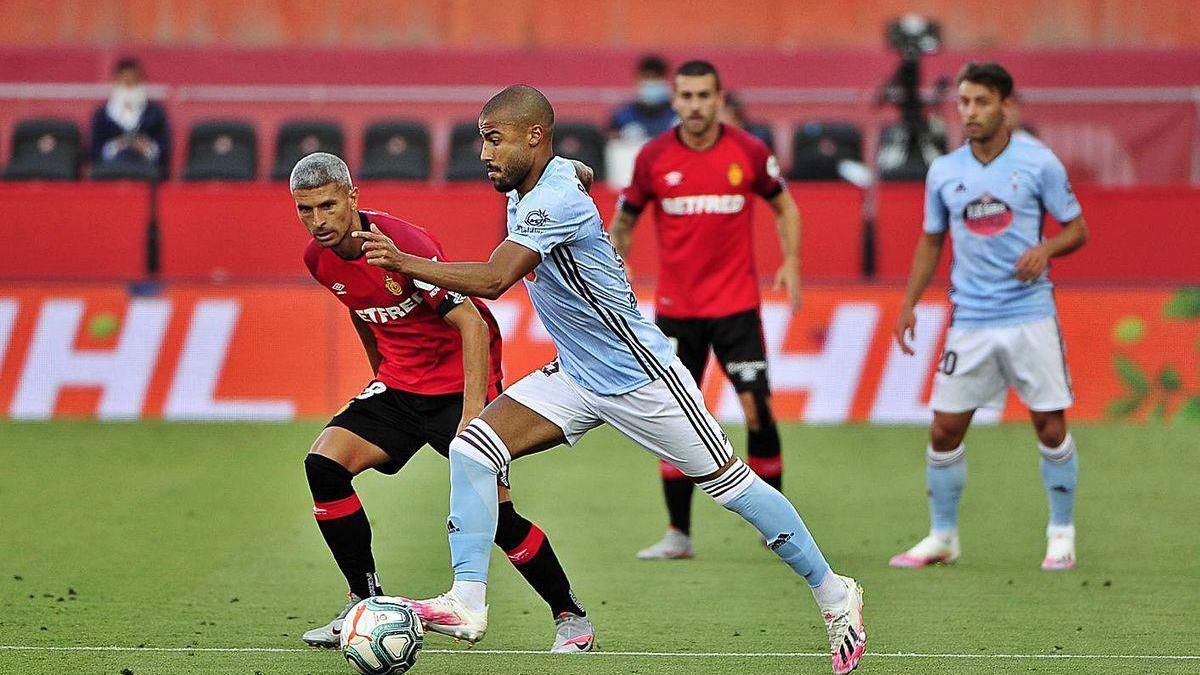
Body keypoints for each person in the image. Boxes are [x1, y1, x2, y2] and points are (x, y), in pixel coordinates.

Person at [353, 86, 866, 675]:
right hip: (576, 374)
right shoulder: (542, 182)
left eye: (494, 139)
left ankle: (834, 593)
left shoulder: (552, 201)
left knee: (734, 489)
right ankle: (467, 601)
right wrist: (576, 167)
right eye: (482, 139)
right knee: (472, 448)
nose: (484, 153)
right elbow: (575, 171)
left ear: (534, 137)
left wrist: (403, 262)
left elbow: (495, 280)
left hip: (640, 377)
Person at [290, 152, 594, 653]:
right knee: (324, 465)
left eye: (327, 206)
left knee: (496, 517)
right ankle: (363, 602)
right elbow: (361, 312)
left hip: (460, 386)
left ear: (352, 198)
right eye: (306, 210)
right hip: (401, 386)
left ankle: (569, 615)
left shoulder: (403, 246)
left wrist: (475, 414)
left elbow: (472, 323)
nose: (319, 221)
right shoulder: (317, 259)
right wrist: (380, 378)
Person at [889, 62, 1088, 571]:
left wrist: (1046, 249)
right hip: (970, 320)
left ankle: (1061, 533)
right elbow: (932, 239)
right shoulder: (945, 171)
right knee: (943, 431)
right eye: (964, 102)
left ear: (1006, 106)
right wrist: (909, 302)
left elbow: (1077, 229)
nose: (970, 112)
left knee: (1048, 426)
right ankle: (943, 537)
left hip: (1029, 315)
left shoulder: (1039, 163)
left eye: (981, 102)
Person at [608, 60, 801, 561]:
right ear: (675, 100)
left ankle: (775, 527)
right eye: (686, 96)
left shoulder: (749, 151)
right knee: (675, 421)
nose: (694, 104)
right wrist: (618, 261)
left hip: (736, 307)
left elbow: (784, 205)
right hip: (677, 311)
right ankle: (679, 534)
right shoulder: (653, 157)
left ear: (719, 99)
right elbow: (624, 220)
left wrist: (793, 261)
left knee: (757, 410)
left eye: (703, 95)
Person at [90, 57, 170, 178]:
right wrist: (117, 146)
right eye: (125, 81)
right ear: (116, 81)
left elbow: (164, 149)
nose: (129, 86)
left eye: (134, 81)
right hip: (111, 171)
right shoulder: (102, 114)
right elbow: (94, 150)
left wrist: (147, 147)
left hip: (145, 170)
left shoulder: (155, 113)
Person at [609, 54, 678, 141]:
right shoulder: (621, 116)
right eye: (647, 77)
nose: (652, 83)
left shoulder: (678, 115)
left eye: (657, 78)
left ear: (665, 80)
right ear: (638, 79)